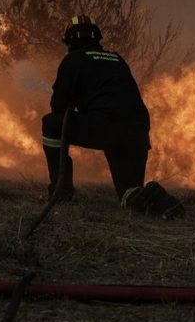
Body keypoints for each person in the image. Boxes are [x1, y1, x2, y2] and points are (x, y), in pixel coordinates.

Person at [41, 15, 184, 218]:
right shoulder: (117, 59)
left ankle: (61, 192)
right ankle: (159, 201)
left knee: (50, 124)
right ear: (96, 38)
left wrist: (74, 101)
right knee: (129, 195)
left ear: (70, 40)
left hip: (105, 127)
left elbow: (58, 108)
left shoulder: (73, 60)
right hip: (137, 132)